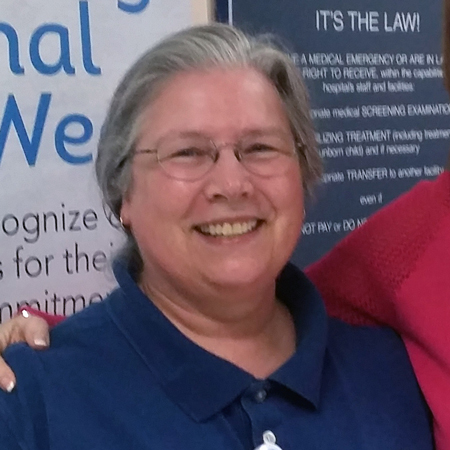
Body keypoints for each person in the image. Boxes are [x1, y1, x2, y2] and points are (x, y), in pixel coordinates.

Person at [0, 23, 432, 449]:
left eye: (260, 147)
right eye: (188, 152)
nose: (232, 183)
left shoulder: (393, 372)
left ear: (304, 173)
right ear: (123, 192)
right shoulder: (29, 402)